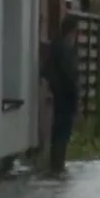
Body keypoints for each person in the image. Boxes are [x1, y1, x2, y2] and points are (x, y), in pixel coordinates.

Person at [40, 14, 80, 176]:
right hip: (66, 96)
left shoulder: (57, 45)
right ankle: (58, 165)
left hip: (59, 95)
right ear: (72, 31)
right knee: (63, 131)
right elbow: (70, 75)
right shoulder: (66, 48)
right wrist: (75, 96)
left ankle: (56, 164)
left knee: (58, 129)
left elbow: (46, 70)